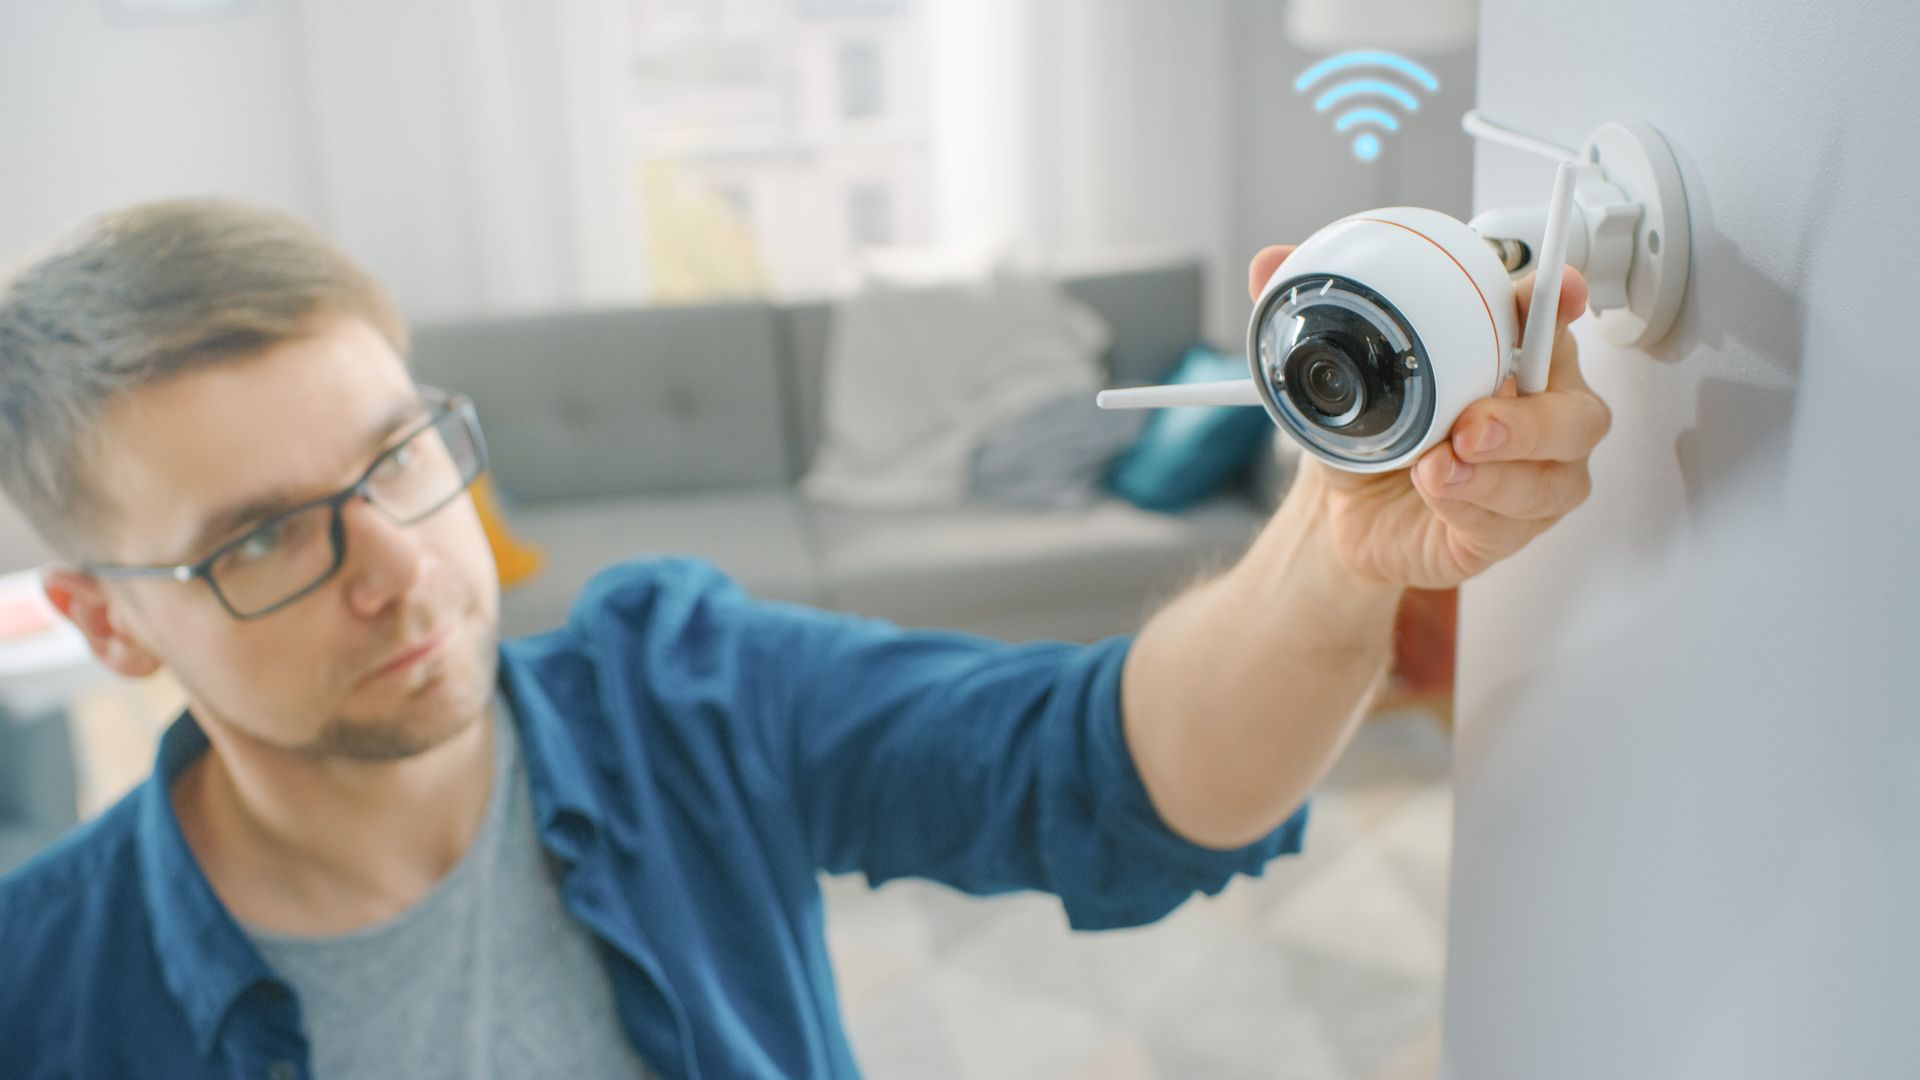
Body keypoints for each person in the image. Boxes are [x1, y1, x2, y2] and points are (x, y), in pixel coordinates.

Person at [0, 198, 1607, 1078]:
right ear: (102, 621)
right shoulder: (42, 996)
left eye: (395, 456)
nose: (398, 568)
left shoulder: (674, 691)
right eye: (264, 534)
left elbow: (1115, 769)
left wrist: (1338, 548)